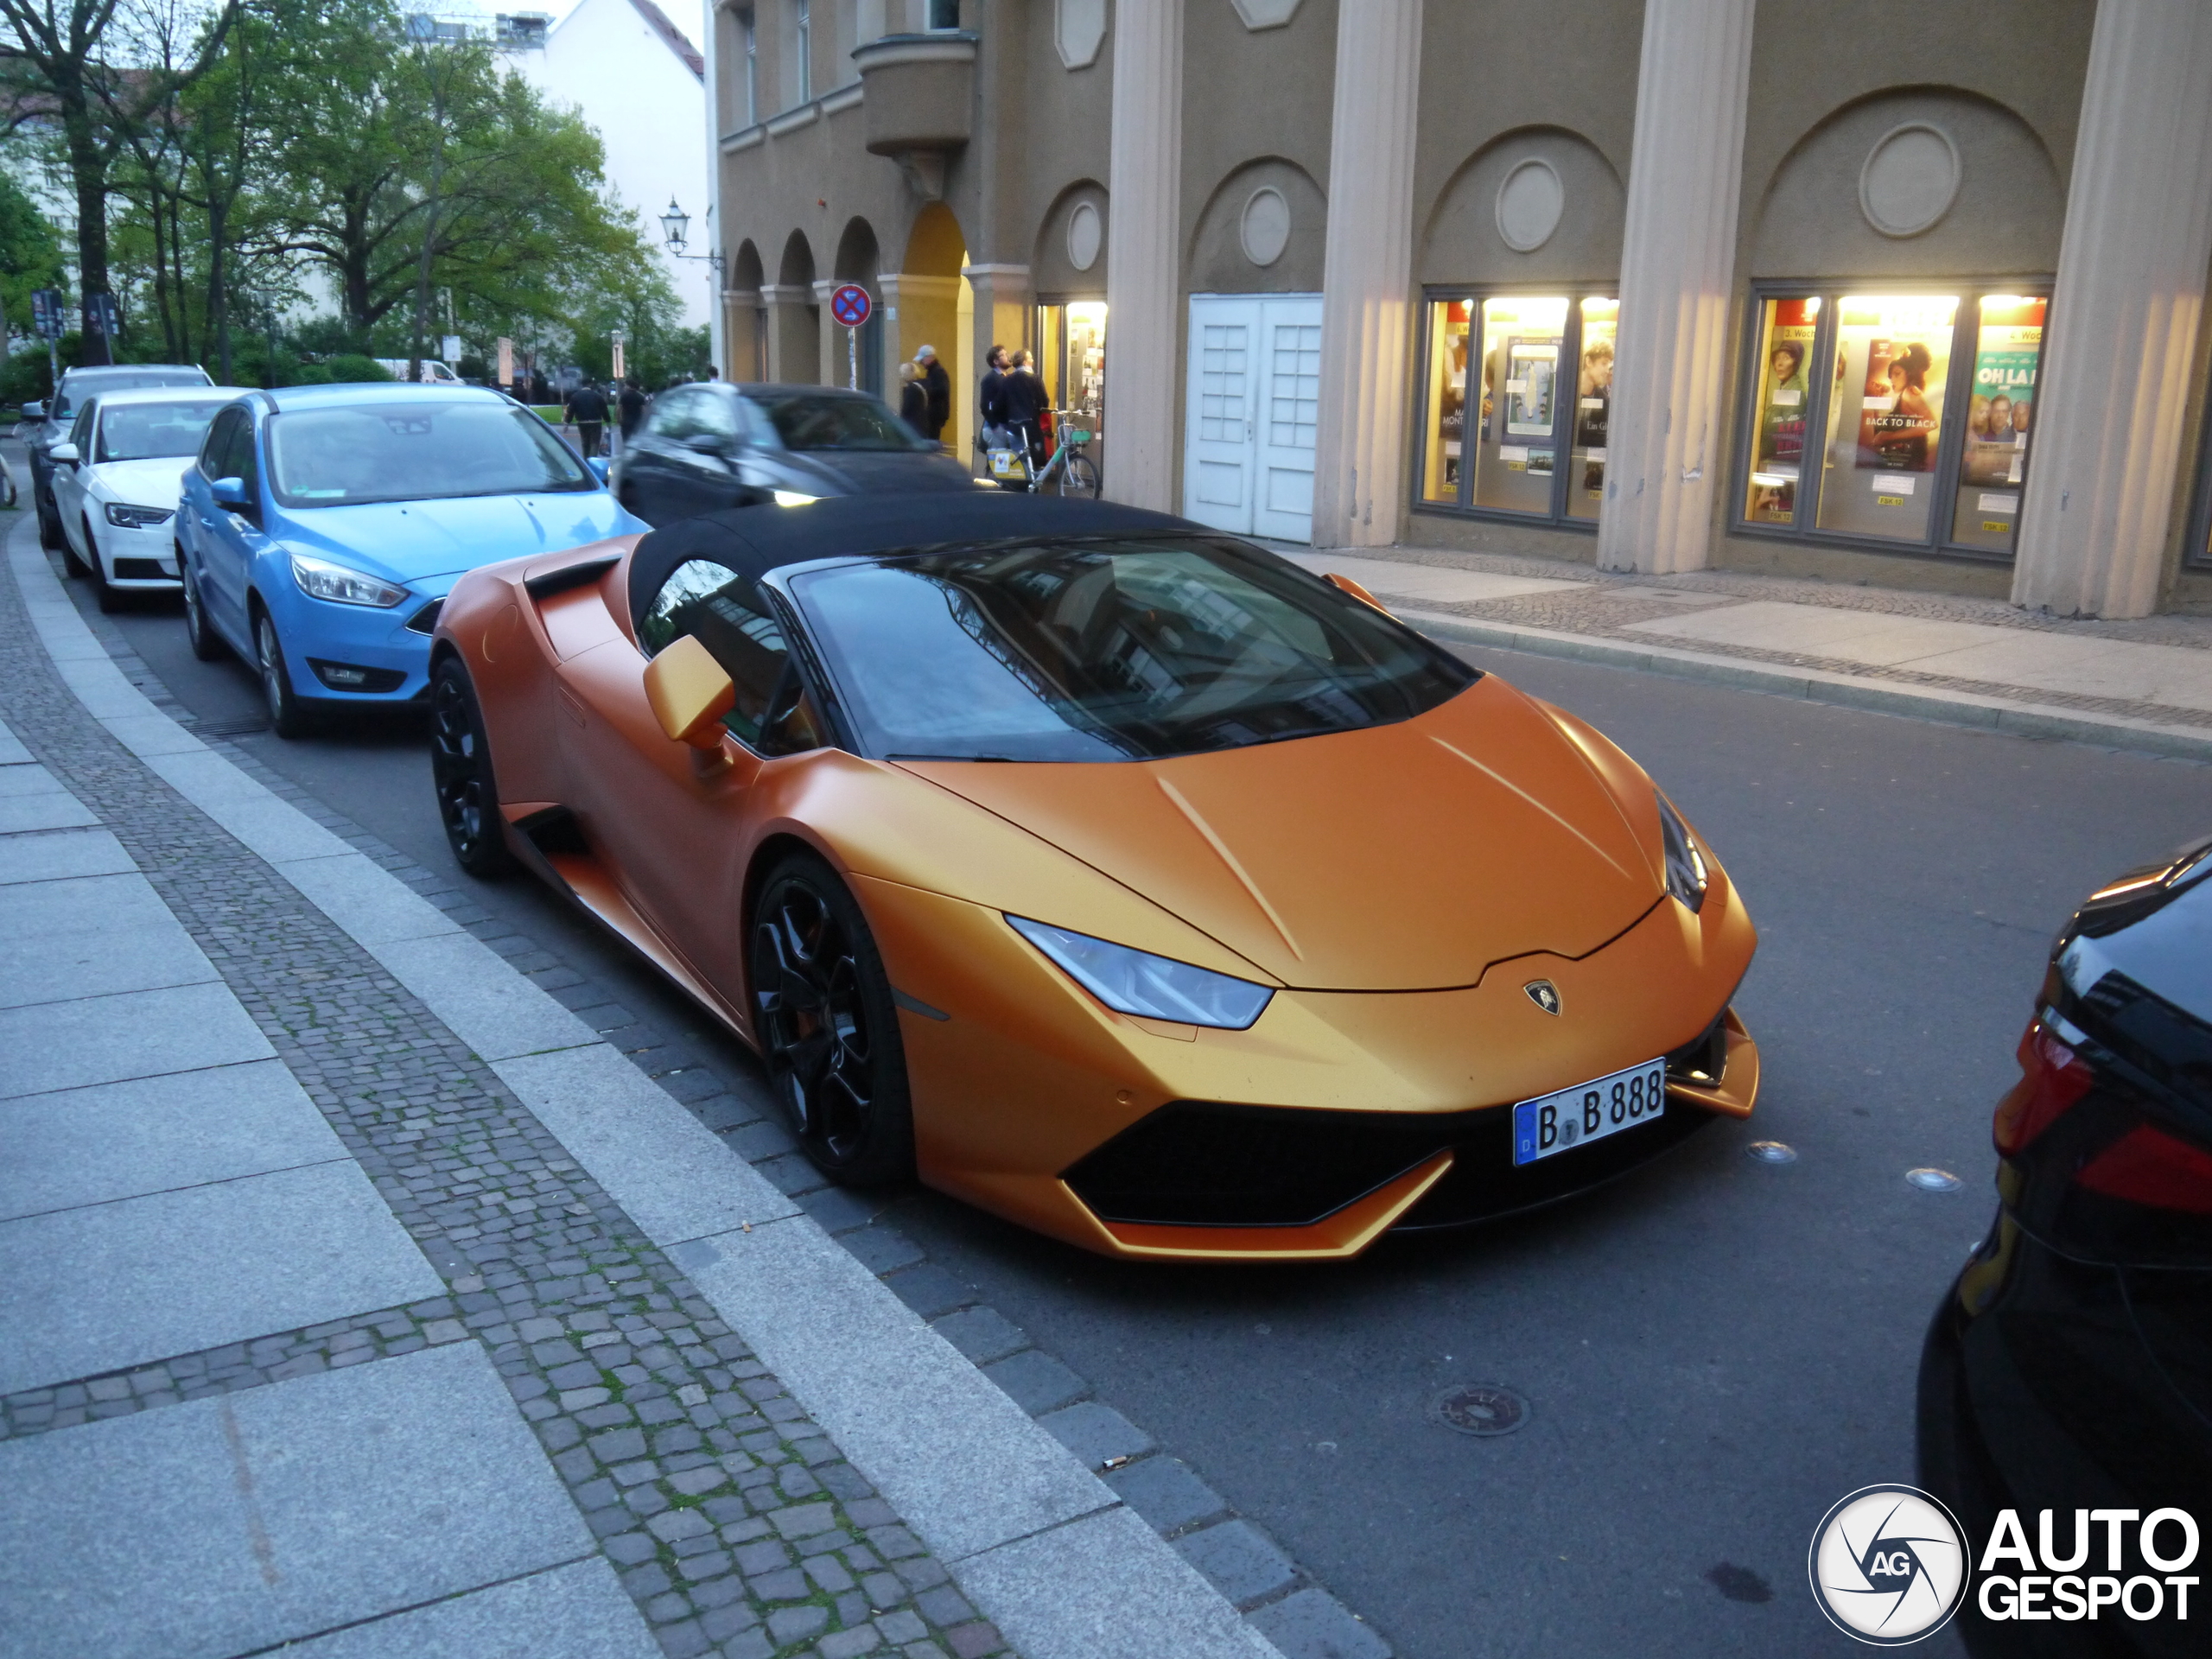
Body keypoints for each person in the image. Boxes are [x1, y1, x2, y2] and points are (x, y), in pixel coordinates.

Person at [1004, 349, 1047, 472]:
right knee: (1034, 457)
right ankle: (1032, 481)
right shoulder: (1035, 379)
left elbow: (1001, 403)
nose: (1033, 360)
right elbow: (1044, 401)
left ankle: (1019, 483)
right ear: (1024, 362)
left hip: (1013, 424)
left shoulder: (1008, 380)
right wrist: (1037, 412)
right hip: (1031, 424)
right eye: (1030, 358)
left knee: (1018, 459)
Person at [564, 378, 609, 460]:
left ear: (582, 385)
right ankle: (592, 460)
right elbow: (604, 410)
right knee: (594, 443)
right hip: (596, 422)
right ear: (590, 384)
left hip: (582, 422)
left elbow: (571, 411)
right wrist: (608, 421)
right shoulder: (597, 396)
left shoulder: (575, 396)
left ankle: (586, 460)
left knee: (585, 443)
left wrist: (567, 422)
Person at [915, 345, 950, 442]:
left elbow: (942, 390)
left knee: (932, 441)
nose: (921, 363)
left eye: (922, 360)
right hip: (936, 414)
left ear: (929, 357)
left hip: (935, 414)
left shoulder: (937, 372)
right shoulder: (934, 372)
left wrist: (925, 390)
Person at [979, 345, 1010, 449]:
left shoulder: (1006, 378)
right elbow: (985, 405)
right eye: (1004, 355)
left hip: (1004, 426)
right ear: (996, 361)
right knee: (998, 460)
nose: (1007, 357)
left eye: (1007, 354)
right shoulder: (990, 379)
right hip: (996, 428)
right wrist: (995, 426)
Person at [897, 360, 930, 439]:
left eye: (902, 373)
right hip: (922, 424)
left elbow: (906, 408)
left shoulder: (911, 389)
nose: (901, 376)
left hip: (912, 426)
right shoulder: (922, 386)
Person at [617, 378, 647, 450]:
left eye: (625, 385)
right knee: (636, 439)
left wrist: (618, 418)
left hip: (626, 420)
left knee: (626, 439)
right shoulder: (641, 396)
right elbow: (643, 409)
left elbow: (619, 409)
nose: (624, 387)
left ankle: (626, 451)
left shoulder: (623, 396)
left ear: (629, 386)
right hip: (637, 421)